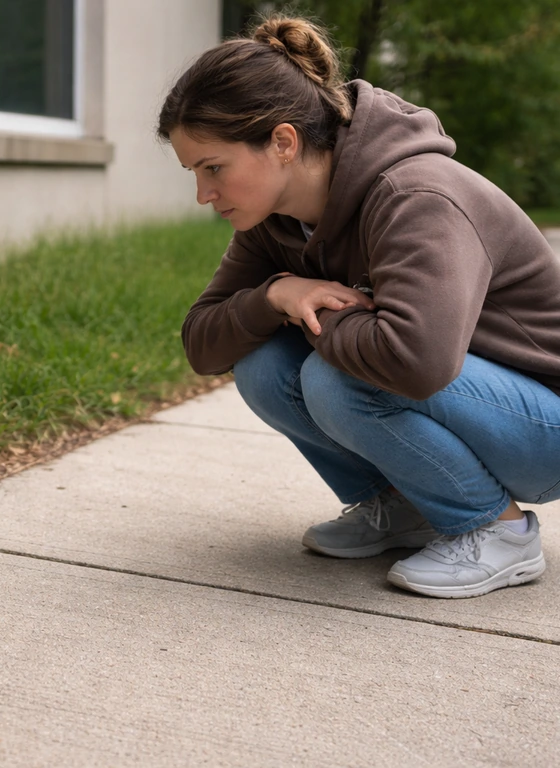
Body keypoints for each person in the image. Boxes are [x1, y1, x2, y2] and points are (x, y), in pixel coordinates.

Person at [157, 13, 560, 598]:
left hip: (541, 426)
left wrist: (319, 315)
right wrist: (275, 296)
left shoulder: (416, 196)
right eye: (195, 173)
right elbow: (202, 343)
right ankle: (400, 507)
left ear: (283, 141)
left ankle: (497, 531)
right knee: (263, 365)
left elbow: (415, 361)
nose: (204, 194)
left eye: (214, 168)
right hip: (471, 406)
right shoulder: (275, 221)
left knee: (336, 377)